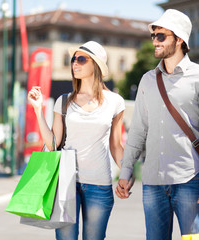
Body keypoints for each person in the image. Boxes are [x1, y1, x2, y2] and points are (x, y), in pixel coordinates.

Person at [115, 9, 199, 239]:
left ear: (180, 39)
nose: (155, 41)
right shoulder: (147, 80)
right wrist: (125, 171)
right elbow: (137, 131)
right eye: (154, 36)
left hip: (191, 180)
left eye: (161, 36)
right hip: (152, 182)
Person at [27, 41, 126, 240]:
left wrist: (126, 174)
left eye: (81, 59)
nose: (75, 63)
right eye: (73, 59)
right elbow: (54, 144)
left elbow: (116, 145)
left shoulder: (115, 102)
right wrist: (38, 111)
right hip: (66, 182)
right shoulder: (63, 101)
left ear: (96, 65)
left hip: (99, 184)